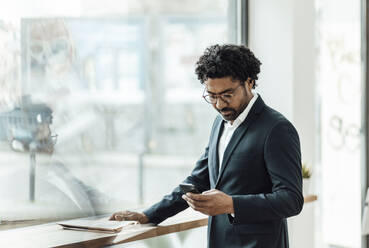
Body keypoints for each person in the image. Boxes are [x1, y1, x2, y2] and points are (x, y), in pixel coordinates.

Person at [110, 44, 304, 248]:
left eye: (227, 95)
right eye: (212, 96)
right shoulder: (219, 123)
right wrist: (148, 215)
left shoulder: (276, 129)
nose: (220, 105)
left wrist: (231, 204)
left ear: (250, 82)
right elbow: (198, 179)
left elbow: (290, 199)